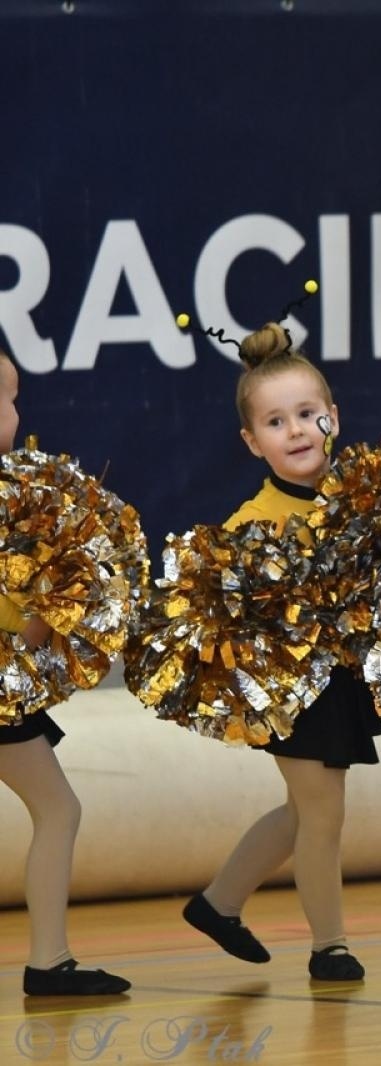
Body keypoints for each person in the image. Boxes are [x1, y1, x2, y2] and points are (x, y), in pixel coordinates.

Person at [181, 319, 381, 984]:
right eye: (275, 422)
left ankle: (218, 903)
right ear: (251, 441)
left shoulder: (361, 498)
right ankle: (332, 947)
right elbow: (219, 615)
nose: (295, 431)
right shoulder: (250, 527)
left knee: (307, 809)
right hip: (291, 689)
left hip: (342, 679)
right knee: (324, 812)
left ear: (334, 417)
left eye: (307, 414)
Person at [0, 352, 132, 998]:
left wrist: (51, 610)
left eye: (12, 395)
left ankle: (50, 961)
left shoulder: (19, 491)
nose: (12, 413)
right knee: (57, 808)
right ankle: (47, 962)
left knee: (58, 807)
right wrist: (30, 621)